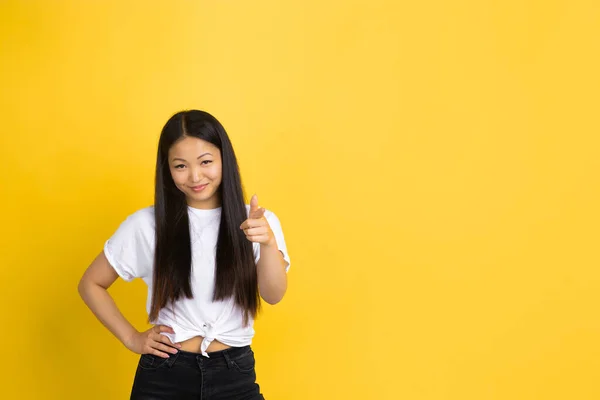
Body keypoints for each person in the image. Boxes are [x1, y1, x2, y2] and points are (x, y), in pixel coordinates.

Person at [78, 109, 290, 399]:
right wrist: (131, 338)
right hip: (165, 374)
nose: (195, 176)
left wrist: (267, 243)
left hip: (234, 373)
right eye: (180, 166)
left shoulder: (256, 221)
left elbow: (273, 294)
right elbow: (91, 283)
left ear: (224, 160)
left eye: (206, 162)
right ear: (166, 168)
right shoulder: (146, 225)